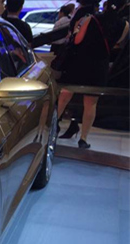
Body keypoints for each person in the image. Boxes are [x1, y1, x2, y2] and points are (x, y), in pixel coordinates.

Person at [56, 0, 129, 148]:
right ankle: (83, 138)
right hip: (99, 66)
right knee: (91, 104)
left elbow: (77, 40)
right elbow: (118, 44)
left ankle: (52, 126)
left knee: (64, 96)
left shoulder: (91, 18)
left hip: (79, 62)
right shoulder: (125, 25)